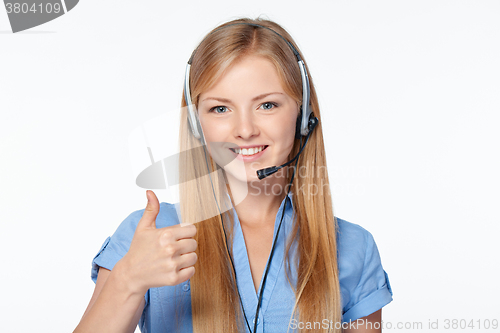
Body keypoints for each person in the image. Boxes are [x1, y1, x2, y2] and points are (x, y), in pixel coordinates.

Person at [74, 18, 393, 333]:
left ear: (302, 114)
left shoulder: (352, 247)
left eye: (267, 105)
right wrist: (127, 280)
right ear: (196, 124)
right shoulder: (149, 237)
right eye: (220, 109)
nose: (245, 130)